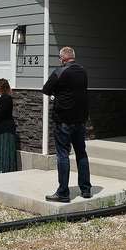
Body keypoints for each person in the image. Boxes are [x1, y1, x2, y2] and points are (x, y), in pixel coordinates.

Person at [42, 46, 92, 202]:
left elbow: (46, 89)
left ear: (62, 58)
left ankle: (63, 193)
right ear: (73, 57)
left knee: (63, 155)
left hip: (64, 121)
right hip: (80, 120)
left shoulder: (60, 71)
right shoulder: (83, 71)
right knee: (81, 153)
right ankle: (86, 190)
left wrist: (57, 93)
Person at [0, 78, 20, 174]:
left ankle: (5, 171)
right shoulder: (4, 98)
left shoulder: (6, 99)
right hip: (2, 130)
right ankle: (0, 170)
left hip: (6, 131)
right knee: (1, 152)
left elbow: (1, 115)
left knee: (5, 152)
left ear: (1, 88)